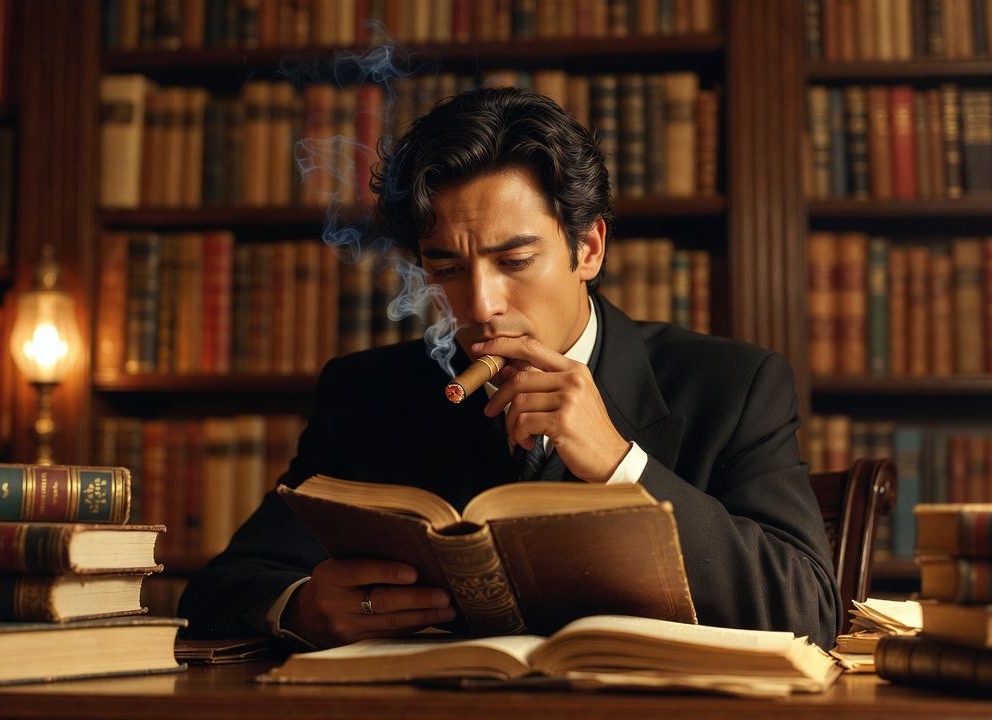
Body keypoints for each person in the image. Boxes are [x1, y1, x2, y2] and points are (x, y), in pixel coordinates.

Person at [177, 86, 842, 651]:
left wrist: (620, 463)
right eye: (446, 269)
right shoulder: (367, 394)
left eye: (514, 261)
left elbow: (808, 609)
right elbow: (226, 584)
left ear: (588, 247)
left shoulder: (734, 385)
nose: (482, 305)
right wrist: (302, 608)